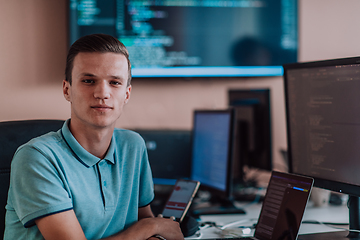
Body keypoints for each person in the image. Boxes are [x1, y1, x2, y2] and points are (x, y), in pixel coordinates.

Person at [4, 33, 184, 240]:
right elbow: (147, 227)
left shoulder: (133, 146)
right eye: (89, 81)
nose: (102, 93)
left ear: (127, 94)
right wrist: (150, 227)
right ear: (67, 89)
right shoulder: (36, 158)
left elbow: (145, 220)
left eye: (115, 82)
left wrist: (150, 228)